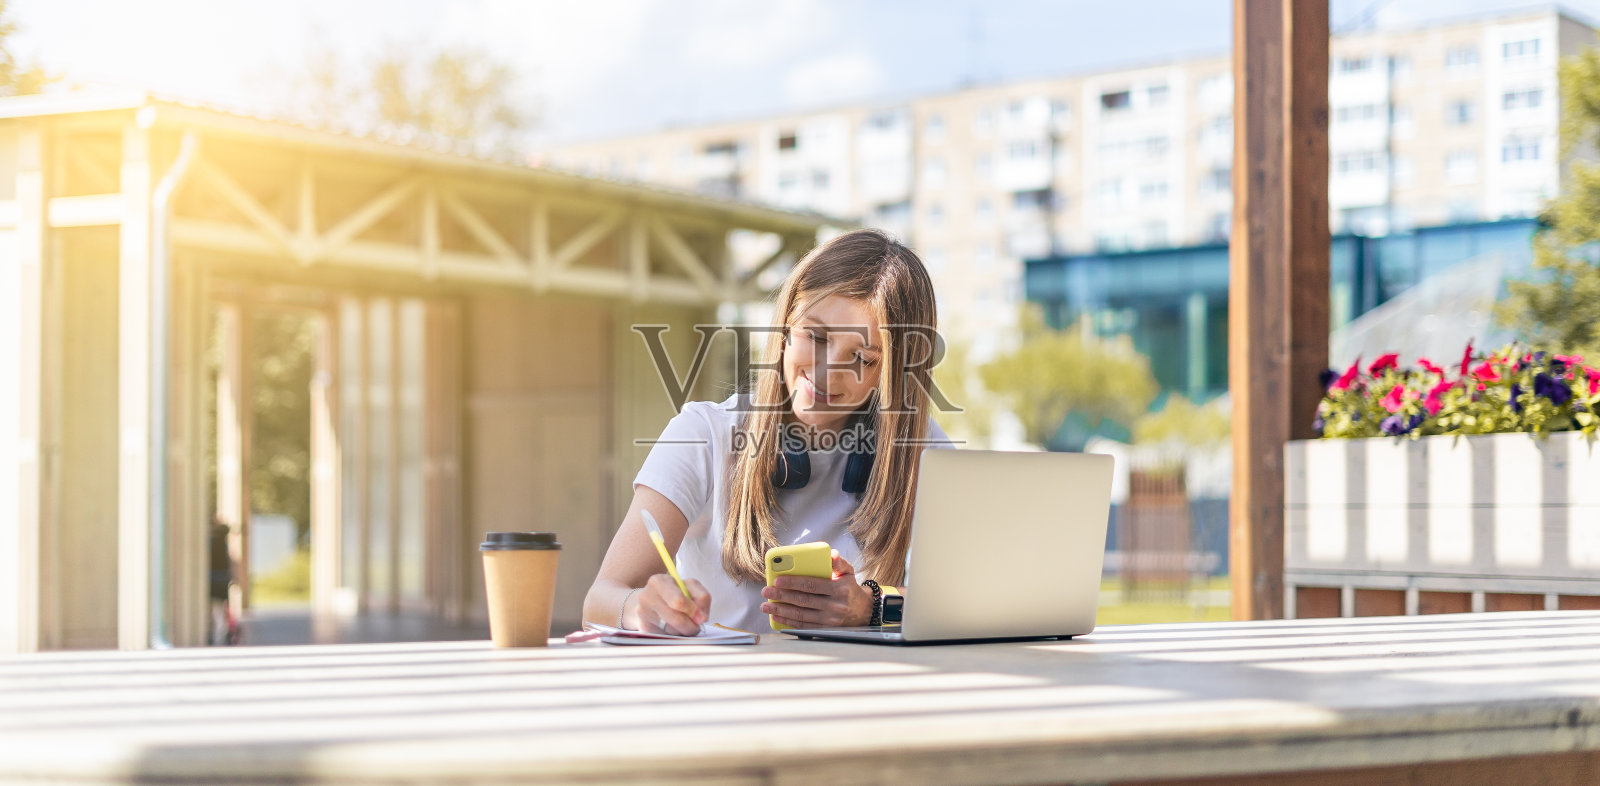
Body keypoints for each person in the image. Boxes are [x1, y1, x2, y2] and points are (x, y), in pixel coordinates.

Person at [582, 228, 953, 635]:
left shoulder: (921, 449)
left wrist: (872, 607)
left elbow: (963, 605)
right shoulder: (704, 434)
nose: (827, 373)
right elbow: (600, 600)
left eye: (862, 358)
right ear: (786, 327)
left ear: (893, 375)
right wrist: (641, 606)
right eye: (815, 336)